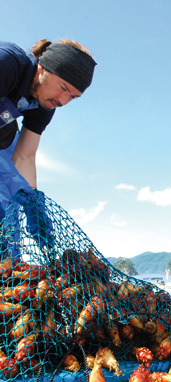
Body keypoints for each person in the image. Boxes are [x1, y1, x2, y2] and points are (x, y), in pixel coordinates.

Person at [0, 39, 96, 252]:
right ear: (42, 68)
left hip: (3, 139)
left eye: (73, 96)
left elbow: (25, 156)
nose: (63, 100)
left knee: (8, 220)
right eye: (63, 87)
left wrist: (34, 202)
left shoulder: (46, 102)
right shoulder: (7, 63)